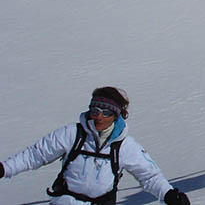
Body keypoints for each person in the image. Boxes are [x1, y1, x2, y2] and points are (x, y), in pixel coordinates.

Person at [0, 86, 190, 205]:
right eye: (95, 110)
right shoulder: (73, 134)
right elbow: (35, 155)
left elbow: (149, 176)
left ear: (116, 115)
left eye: (105, 112)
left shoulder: (124, 146)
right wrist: (4, 168)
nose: (98, 116)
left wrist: (169, 195)